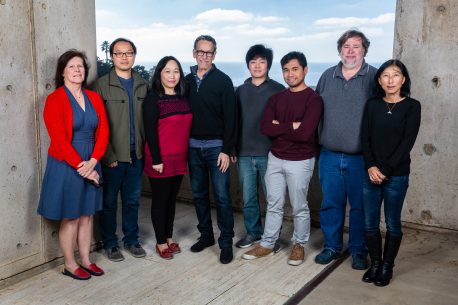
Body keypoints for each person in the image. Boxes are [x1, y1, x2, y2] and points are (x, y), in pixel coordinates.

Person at [242, 51, 323, 266]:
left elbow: (305, 133)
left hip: (301, 160)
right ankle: (268, 244)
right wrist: (292, 125)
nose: (290, 74)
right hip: (275, 158)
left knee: (299, 206)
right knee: (274, 204)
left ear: (305, 70)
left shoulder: (314, 100)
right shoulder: (276, 98)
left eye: (295, 69)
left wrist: (281, 127)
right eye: (286, 70)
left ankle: (299, 245)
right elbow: (266, 127)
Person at [38, 49, 109, 280]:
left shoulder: (94, 98)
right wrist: (83, 168)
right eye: (71, 66)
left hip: (92, 159)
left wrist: (94, 162)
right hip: (67, 164)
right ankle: (70, 264)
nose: (77, 70)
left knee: (87, 214)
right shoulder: (55, 99)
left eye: (80, 66)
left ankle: (86, 260)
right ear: (62, 72)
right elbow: (58, 140)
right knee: (71, 216)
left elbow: (103, 132)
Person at [314, 30, 377, 270]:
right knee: (330, 204)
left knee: (360, 207)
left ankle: (358, 250)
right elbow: (315, 112)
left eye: (356, 46)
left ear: (364, 50)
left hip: (361, 158)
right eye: (346, 46)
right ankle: (332, 247)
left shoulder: (373, 77)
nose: (350, 51)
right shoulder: (327, 76)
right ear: (340, 49)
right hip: (329, 155)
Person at [361, 59, 421, 286]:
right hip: (370, 173)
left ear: (403, 79)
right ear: (379, 80)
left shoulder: (412, 106)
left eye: (395, 75)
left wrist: (384, 169)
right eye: (385, 75)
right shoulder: (372, 105)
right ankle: (375, 264)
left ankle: (387, 266)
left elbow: (407, 142)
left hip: (396, 174)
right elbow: (365, 139)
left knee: (393, 222)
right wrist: (371, 166)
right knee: (369, 223)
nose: (390, 80)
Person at [93, 38, 148, 261]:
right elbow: (95, 123)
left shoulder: (144, 84)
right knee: (108, 203)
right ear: (112, 56)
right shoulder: (100, 85)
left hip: (137, 156)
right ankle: (110, 243)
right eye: (119, 53)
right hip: (113, 157)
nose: (124, 57)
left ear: (134, 55)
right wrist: (107, 155)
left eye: (129, 53)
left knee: (132, 200)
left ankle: (131, 240)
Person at [185, 35, 237, 264]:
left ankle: (226, 243)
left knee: (223, 197)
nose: (204, 56)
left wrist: (227, 149)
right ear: (194, 53)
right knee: (198, 195)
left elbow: (232, 119)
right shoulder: (185, 81)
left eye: (209, 52)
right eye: (201, 52)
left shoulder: (223, 81)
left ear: (214, 55)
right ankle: (206, 236)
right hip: (193, 147)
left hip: (217, 149)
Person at [235, 44, 284, 251]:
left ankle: (272, 237)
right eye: (253, 61)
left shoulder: (278, 90)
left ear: (268, 65)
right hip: (244, 153)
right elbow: (234, 122)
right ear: (248, 65)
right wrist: (232, 149)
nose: (257, 65)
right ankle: (253, 232)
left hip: (270, 154)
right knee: (249, 198)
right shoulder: (240, 91)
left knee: (273, 198)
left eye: (262, 61)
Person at [143, 56, 192, 260]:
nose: (172, 76)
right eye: (167, 71)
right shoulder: (154, 98)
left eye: (176, 71)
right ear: (159, 74)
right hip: (160, 158)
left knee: (172, 200)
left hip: (179, 157)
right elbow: (150, 131)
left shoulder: (183, 97)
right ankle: (161, 242)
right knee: (161, 201)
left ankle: (169, 237)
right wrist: (156, 159)